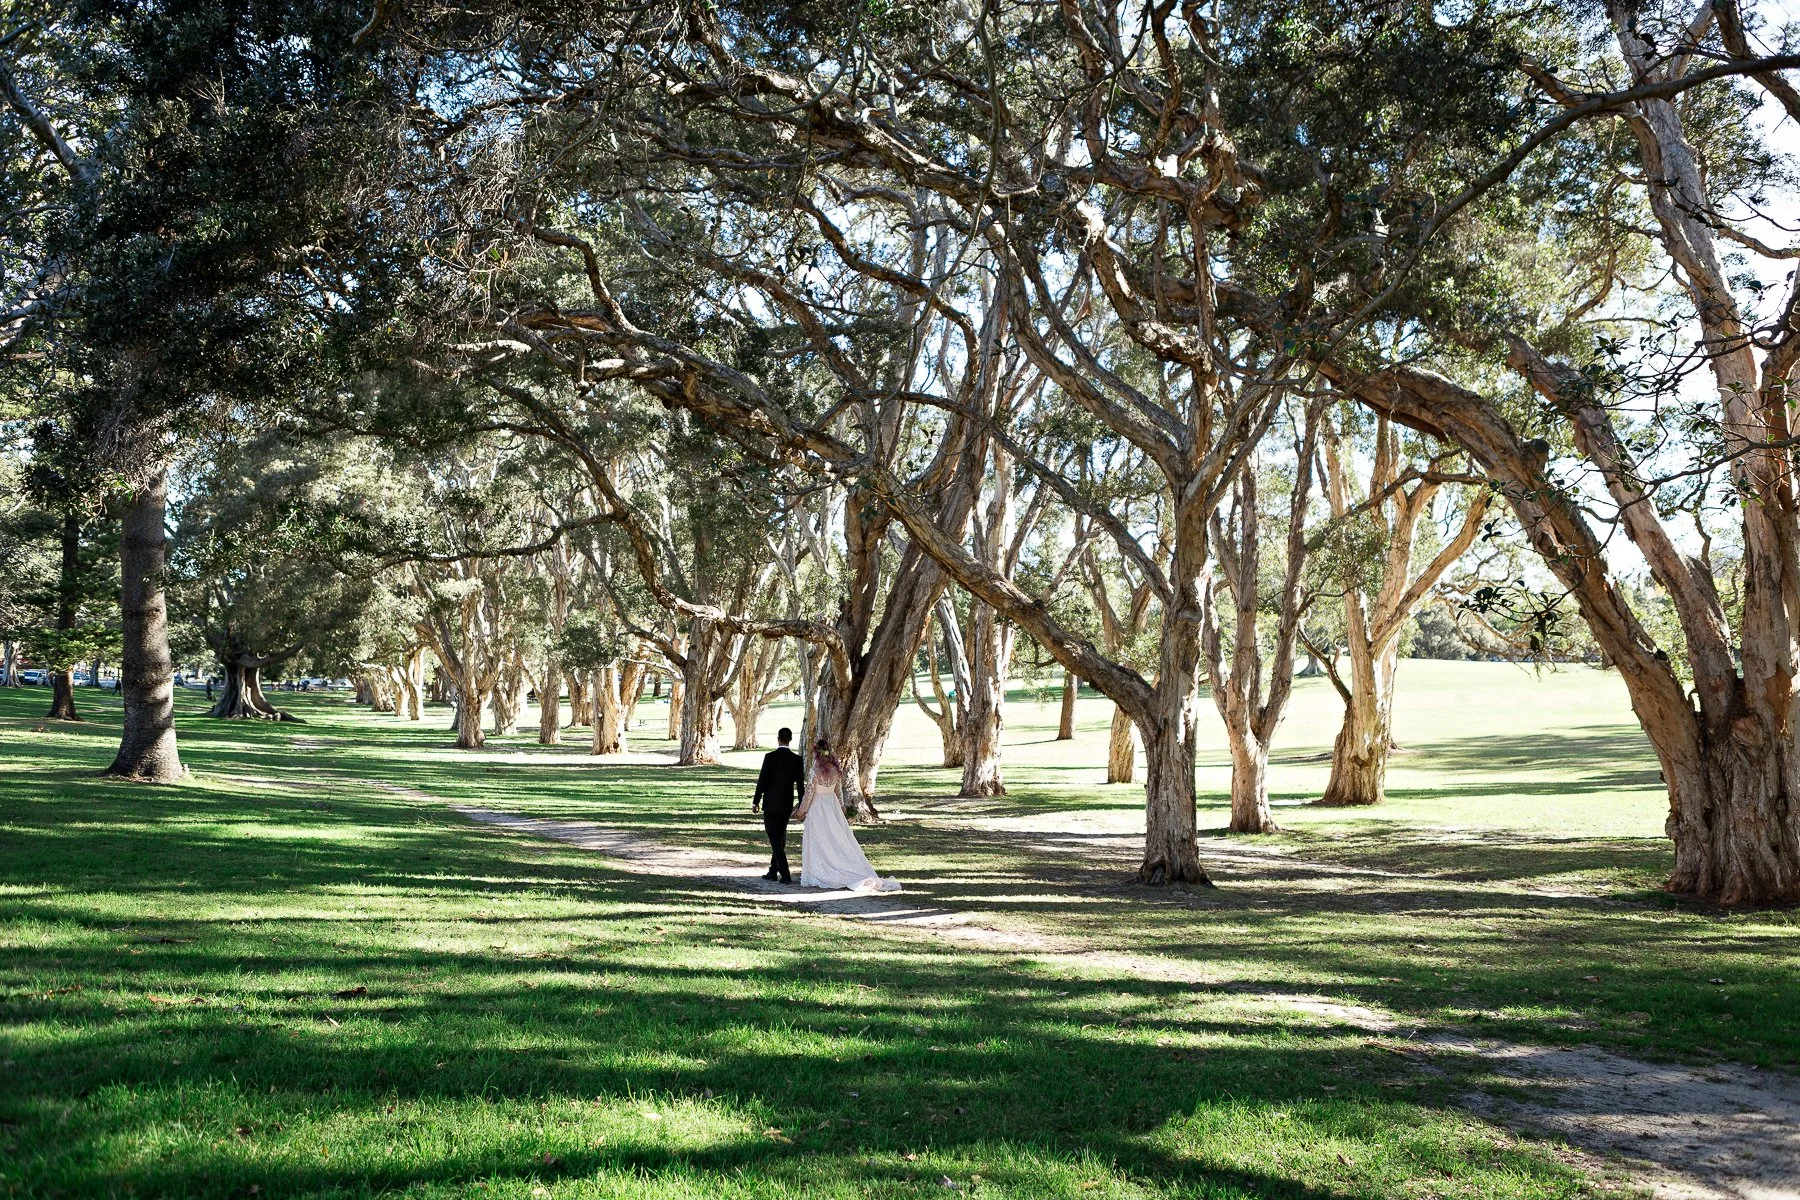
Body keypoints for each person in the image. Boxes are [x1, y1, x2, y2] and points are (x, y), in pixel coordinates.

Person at [793, 738, 901, 893]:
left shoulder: (814, 772)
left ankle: (821, 871)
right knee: (836, 838)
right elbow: (838, 792)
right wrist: (842, 807)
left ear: (817, 753)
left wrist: (801, 810)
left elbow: (809, 794)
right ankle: (835, 865)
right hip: (832, 805)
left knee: (820, 839)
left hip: (819, 808)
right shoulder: (836, 770)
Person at [750, 726, 804, 883]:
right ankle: (772, 872)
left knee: (774, 837)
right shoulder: (797, 760)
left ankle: (785, 874)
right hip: (786, 803)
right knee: (780, 837)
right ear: (790, 740)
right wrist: (801, 804)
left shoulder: (770, 757)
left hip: (771, 803)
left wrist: (756, 801)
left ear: (778, 739)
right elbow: (800, 785)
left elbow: (762, 781)